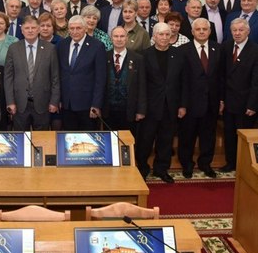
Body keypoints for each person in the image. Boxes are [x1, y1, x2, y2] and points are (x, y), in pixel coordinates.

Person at [137, 22, 186, 183]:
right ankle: (142, 168)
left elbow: (184, 82)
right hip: (150, 107)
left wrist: (182, 105)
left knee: (166, 140)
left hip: (171, 106)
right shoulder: (144, 56)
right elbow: (140, 84)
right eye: (161, 34)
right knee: (145, 140)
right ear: (154, 36)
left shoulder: (178, 55)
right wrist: (141, 108)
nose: (164, 37)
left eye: (167, 34)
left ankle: (161, 169)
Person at [178, 18, 223, 179]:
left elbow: (221, 77)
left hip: (211, 102)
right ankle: (187, 165)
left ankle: (205, 164)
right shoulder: (183, 50)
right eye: (198, 29)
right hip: (189, 103)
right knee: (187, 136)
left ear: (210, 31)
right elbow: (180, 80)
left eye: (205, 29)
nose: (202, 32)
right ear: (192, 31)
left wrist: (221, 100)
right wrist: (182, 104)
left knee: (208, 136)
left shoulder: (218, 49)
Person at [220, 18, 258, 172]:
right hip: (228, 101)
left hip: (245, 103)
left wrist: (252, 104)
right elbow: (221, 75)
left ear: (248, 31)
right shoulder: (225, 47)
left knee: (243, 136)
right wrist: (221, 99)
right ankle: (230, 163)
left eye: (241, 30)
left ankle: (243, 165)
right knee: (229, 134)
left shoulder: (257, 51)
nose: (237, 33)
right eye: (234, 30)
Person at [4, 16, 60, 131]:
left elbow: (55, 77)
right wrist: (10, 101)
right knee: (21, 137)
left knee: (42, 138)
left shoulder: (50, 49)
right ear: (22, 30)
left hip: (43, 103)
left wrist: (54, 101)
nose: (30, 31)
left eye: (33, 28)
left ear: (38, 29)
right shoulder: (13, 48)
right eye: (27, 28)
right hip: (19, 104)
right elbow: (8, 77)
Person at [104, 27, 146, 162]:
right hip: (108, 110)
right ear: (111, 39)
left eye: (122, 36)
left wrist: (141, 110)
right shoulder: (104, 57)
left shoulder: (138, 58)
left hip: (129, 110)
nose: (119, 39)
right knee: (110, 142)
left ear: (127, 38)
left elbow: (142, 86)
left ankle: (129, 166)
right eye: (116, 36)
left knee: (128, 142)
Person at [57, 15, 106, 130]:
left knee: (89, 138)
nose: (75, 31)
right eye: (72, 28)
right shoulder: (62, 45)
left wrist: (96, 104)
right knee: (69, 138)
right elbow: (59, 74)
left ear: (85, 29)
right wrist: (58, 99)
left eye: (78, 28)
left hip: (87, 105)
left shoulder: (97, 46)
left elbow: (101, 78)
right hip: (67, 104)